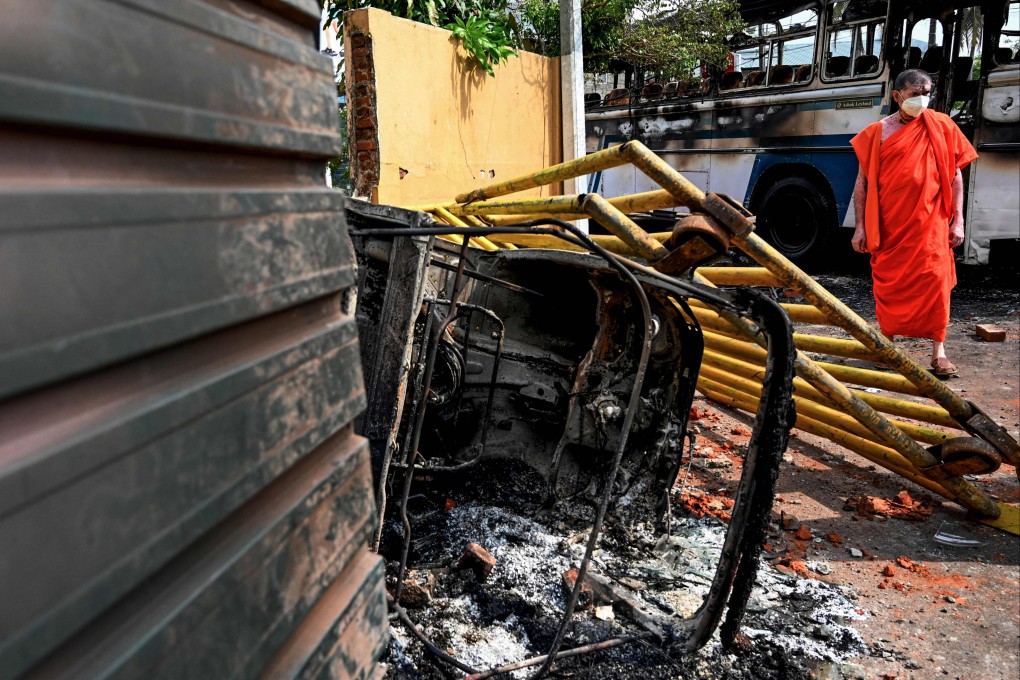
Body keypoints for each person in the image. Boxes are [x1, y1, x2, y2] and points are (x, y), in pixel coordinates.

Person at [849, 69, 978, 377]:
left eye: (927, 93)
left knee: (936, 283)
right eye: (914, 95)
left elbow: (956, 176)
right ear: (897, 97)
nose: (922, 100)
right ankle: (889, 345)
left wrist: (957, 221)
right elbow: (862, 183)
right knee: (888, 284)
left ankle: (939, 352)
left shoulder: (943, 127)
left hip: (932, 223)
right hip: (890, 225)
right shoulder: (877, 133)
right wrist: (860, 226)